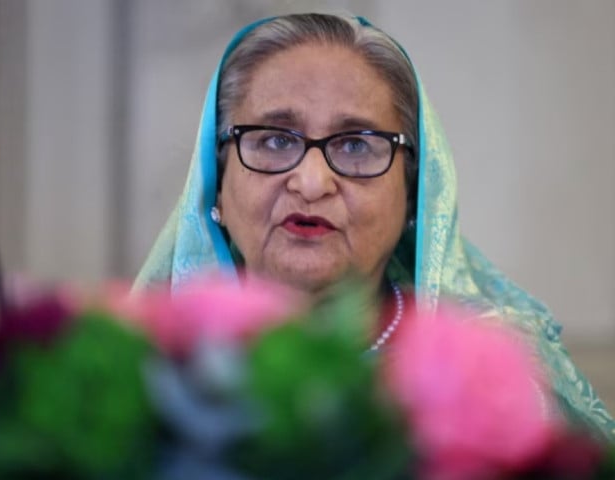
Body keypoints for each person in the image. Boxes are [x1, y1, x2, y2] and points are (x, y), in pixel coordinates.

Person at [134, 13, 615, 442]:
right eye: (275, 139)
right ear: (216, 183)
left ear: (414, 194)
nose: (311, 181)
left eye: (357, 145)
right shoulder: (141, 374)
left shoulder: (499, 385)